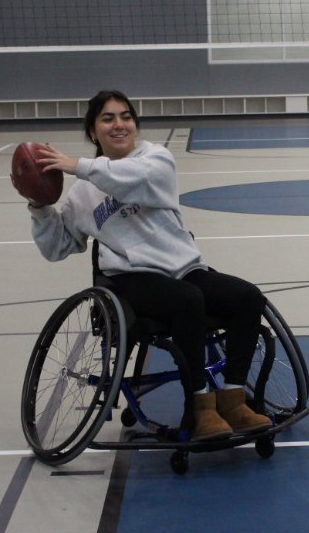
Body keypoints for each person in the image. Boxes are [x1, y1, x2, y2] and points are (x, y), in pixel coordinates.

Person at [19, 89, 271, 441]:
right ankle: (199, 406)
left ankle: (233, 398)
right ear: (93, 131)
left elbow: (127, 177)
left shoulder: (156, 159)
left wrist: (79, 165)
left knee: (247, 296)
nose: (119, 124)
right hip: (133, 280)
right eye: (108, 118)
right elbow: (59, 246)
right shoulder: (81, 195)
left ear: (135, 125)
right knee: (187, 300)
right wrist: (39, 205)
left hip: (184, 267)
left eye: (126, 116)